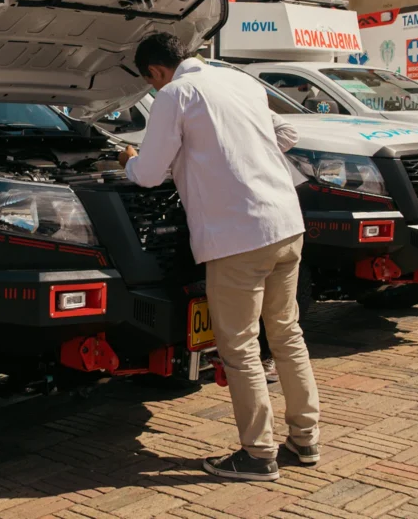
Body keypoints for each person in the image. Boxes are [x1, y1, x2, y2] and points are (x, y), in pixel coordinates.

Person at [118, 33, 320, 482]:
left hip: (237, 237)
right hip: (286, 223)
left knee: (241, 346)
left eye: (150, 83)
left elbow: (149, 174)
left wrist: (129, 159)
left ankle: (258, 454)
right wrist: (238, 152)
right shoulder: (238, 81)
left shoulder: (175, 93)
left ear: (155, 72)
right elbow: (288, 132)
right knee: (286, 334)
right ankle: (305, 439)